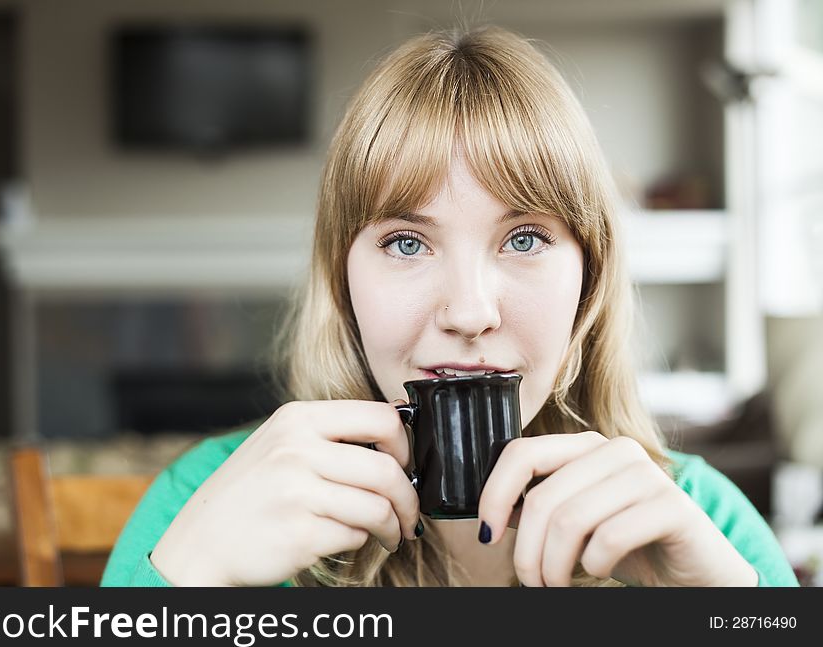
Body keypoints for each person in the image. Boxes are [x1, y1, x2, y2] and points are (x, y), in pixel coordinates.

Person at [101, 26, 798, 587]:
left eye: (524, 237)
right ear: (342, 280)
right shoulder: (199, 501)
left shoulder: (704, 523)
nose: (468, 311)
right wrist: (186, 586)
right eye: (407, 242)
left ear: (590, 281)